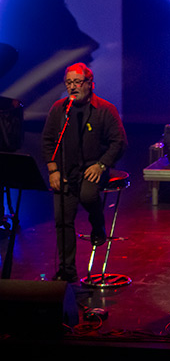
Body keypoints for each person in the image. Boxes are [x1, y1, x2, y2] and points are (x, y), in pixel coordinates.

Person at [42, 63, 127, 283]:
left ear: (90, 84)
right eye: (68, 83)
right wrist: (53, 170)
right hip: (65, 170)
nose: (72, 87)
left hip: (93, 167)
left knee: (88, 195)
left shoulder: (105, 109)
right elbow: (48, 140)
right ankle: (67, 272)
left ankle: (98, 225)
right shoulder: (60, 109)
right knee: (62, 219)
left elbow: (119, 142)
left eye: (77, 82)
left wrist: (101, 165)